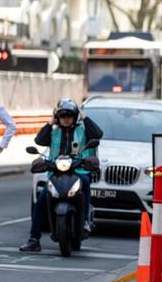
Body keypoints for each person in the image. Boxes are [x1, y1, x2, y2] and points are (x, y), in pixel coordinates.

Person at [20, 98, 103, 252]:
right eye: (62, 116)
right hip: (56, 173)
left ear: (75, 116)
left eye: (69, 116)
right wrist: (51, 122)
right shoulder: (54, 132)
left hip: (79, 170)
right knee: (40, 202)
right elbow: (39, 140)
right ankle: (33, 239)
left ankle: (84, 221)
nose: (66, 119)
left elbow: (97, 134)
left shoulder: (82, 130)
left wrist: (83, 115)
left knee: (85, 182)